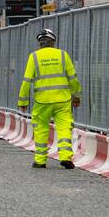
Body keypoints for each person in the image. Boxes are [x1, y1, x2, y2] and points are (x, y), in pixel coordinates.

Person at [17, 27, 81, 169]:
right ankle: (65, 157)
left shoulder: (34, 57)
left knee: (41, 129)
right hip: (63, 100)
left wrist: (23, 101)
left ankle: (40, 160)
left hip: (42, 101)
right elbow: (73, 79)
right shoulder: (63, 55)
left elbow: (26, 81)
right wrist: (76, 96)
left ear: (40, 43)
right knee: (64, 128)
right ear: (53, 42)